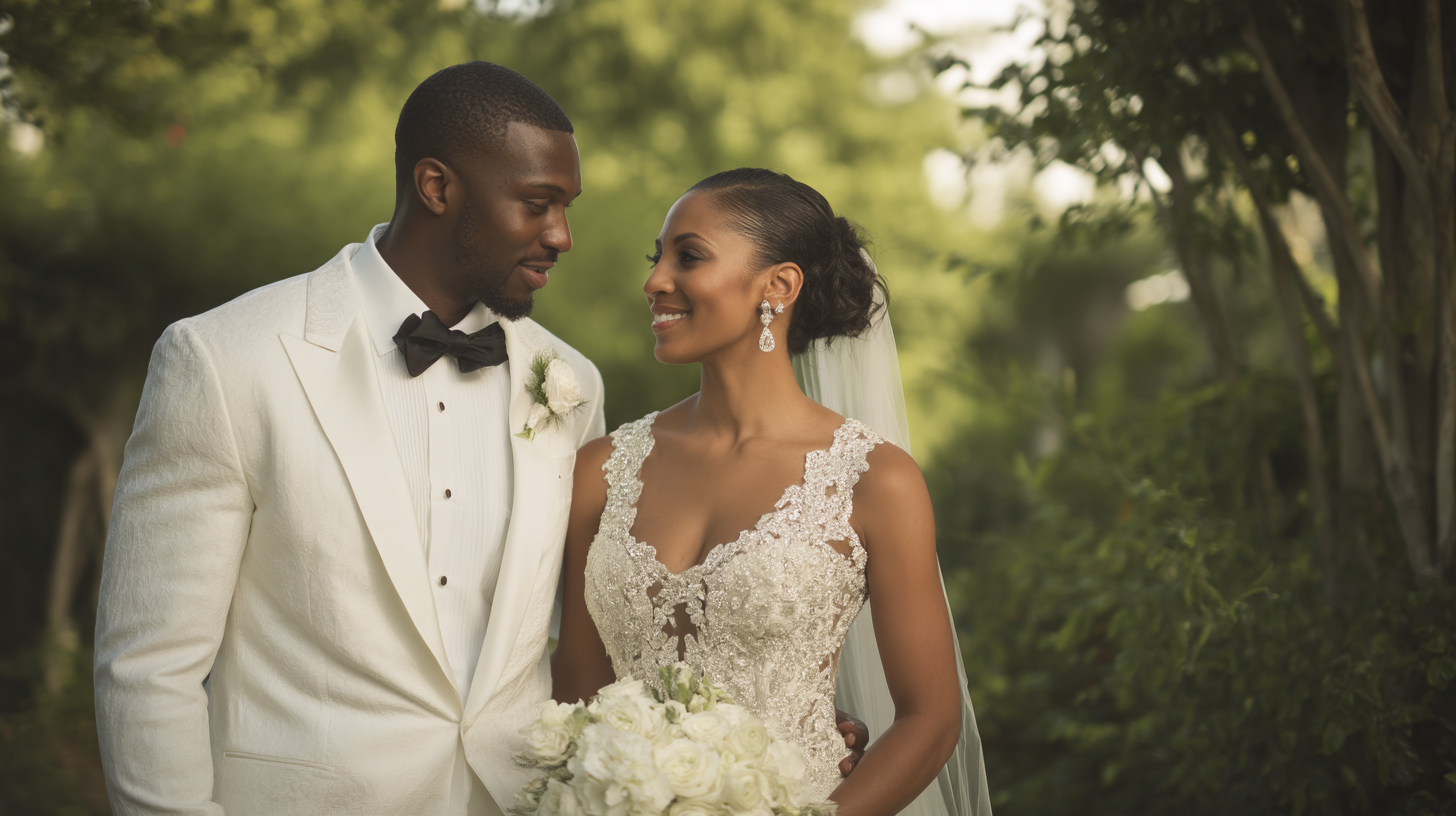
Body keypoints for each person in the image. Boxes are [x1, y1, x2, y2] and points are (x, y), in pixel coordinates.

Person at [93, 62, 601, 816]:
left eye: (565, 207)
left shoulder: (571, 383)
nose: (561, 235)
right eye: (537, 204)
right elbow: (148, 667)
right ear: (437, 187)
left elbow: (588, 632)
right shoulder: (225, 358)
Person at [552, 168, 992, 816]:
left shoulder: (875, 481)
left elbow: (930, 721)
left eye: (688, 256)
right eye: (657, 258)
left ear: (779, 286)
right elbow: (578, 692)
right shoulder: (600, 470)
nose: (654, 281)